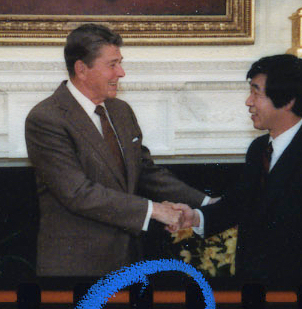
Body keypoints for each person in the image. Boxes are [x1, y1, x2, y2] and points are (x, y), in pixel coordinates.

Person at [25, 24, 213, 277]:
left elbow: (145, 171)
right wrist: (154, 210)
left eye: (120, 63)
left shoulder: (120, 111)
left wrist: (207, 203)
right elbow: (78, 193)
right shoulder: (46, 118)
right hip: (76, 267)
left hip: (128, 262)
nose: (121, 73)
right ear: (82, 69)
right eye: (112, 64)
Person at [170, 54, 302, 280]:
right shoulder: (258, 150)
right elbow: (240, 202)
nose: (249, 101)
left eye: (256, 93)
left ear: (288, 101)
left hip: (290, 299)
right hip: (251, 290)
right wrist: (195, 217)